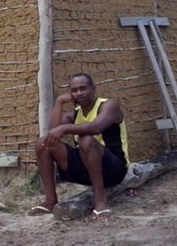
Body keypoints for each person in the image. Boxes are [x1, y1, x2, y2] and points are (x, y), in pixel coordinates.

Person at [29, 73, 129, 219]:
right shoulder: (74, 114)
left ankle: (100, 202)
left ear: (94, 89)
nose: (79, 93)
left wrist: (65, 129)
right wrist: (59, 102)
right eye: (74, 90)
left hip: (114, 170)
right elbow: (52, 132)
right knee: (43, 144)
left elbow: (96, 127)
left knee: (86, 140)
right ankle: (50, 201)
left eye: (83, 88)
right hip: (87, 169)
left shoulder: (109, 106)